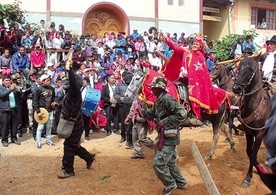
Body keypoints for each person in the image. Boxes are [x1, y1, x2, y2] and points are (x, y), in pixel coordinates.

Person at [162, 34, 227, 124]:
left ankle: (196, 115)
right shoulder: (186, 52)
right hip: (182, 78)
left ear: (200, 47)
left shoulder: (200, 57)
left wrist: (188, 75)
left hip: (194, 82)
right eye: (194, 44)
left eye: (197, 45)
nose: (195, 45)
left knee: (193, 91)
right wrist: (167, 39)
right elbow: (175, 47)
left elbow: (199, 73)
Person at [141, 77, 188, 195]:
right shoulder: (158, 101)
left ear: (159, 88)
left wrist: (165, 121)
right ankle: (181, 183)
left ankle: (170, 184)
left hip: (169, 137)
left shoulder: (167, 99)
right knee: (171, 163)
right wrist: (142, 110)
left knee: (158, 163)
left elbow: (182, 114)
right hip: (165, 136)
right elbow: (152, 113)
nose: (151, 89)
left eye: (153, 87)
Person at [57, 63, 95, 179]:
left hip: (74, 124)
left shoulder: (75, 92)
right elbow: (69, 106)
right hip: (74, 122)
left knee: (68, 146)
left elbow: (73, 83)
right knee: (74, 146)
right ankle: (89, 157)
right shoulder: (71, 93)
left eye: (68, 82)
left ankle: (69, 170)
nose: (66, 83)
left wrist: (70, 69)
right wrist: (58, 106)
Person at [33, 74, 57, 148]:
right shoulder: (39, 89)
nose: (49, 81)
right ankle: (38, 142)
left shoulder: (52, 89)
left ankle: (48, 140)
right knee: (40, 126)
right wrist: (38, 111)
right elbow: (35, 101)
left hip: (50, 110)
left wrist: (54, 103)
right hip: (42, 111)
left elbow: (53, 99)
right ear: (43, 81)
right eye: (47, 80)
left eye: (49, 80)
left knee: (49, 126)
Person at [0, 75, 21, 147]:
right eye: (6, 80)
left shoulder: (11, 87)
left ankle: (14, 138)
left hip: (14, 109)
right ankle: (4, 140)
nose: (8, 82)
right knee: (5, 125)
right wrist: (11, 89)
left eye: (9, 80)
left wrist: (17, 90)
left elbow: (18, 97)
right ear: (2, 81)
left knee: (14, 124)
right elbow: (2, 95)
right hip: (5, 109)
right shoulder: (1, 88)